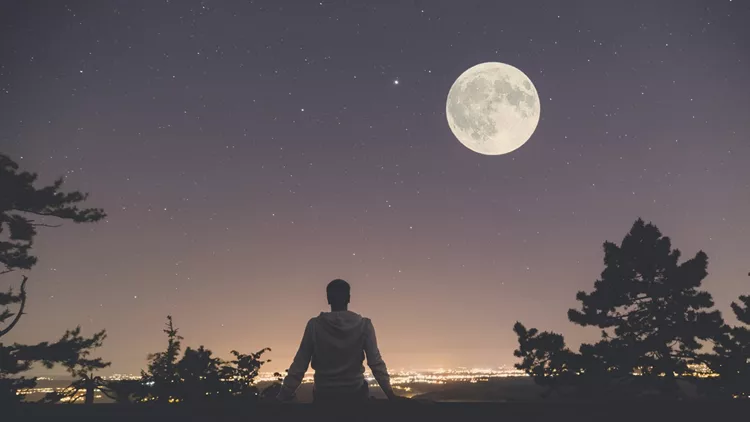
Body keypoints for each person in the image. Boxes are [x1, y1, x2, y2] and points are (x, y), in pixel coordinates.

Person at [276, 278, 399, 403]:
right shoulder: (363, 325)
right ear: (349, 298)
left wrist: (282, 397)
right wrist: (391, 395)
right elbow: (375, 363)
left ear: (328, 299)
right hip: (355, 394)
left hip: (324, 395)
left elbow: (299, 364)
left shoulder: (314, 325)